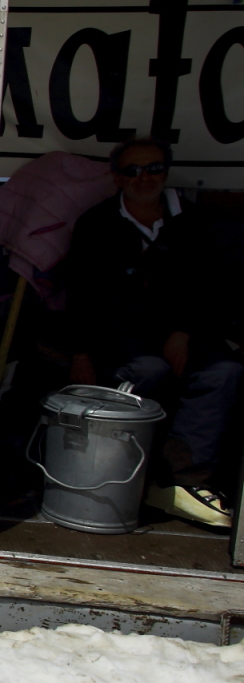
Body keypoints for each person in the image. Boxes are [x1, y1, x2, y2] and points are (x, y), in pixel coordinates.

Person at [62, 138, 241, 522]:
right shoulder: (96, 223)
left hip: (183, 334)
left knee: (224, 372)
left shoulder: (191, 222)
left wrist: (182, 332)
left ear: (167, 171)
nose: (144, 177)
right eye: (133, 170)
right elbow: (78, 296)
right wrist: (80, 353)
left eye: (154, 168)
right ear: (116, 177)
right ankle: (131, 477)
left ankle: (184, 481)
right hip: (121, 341)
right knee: (149, 372)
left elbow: (210, 289)